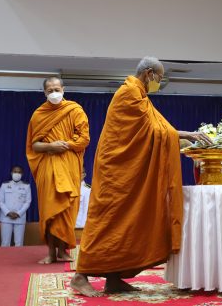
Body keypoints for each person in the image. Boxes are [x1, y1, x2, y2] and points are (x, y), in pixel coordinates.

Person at [70, 57, 212, 296]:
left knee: (127, 224)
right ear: (148, 73)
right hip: (116, 170)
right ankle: (80, 275)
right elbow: (153, 131)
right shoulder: (129, 93)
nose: (160, 81)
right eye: (159, 77)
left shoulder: (140, 95)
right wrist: (186, 134)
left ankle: (114, 278)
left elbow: (154, 130)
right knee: (106, 221)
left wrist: (180, 138)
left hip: (128, 170)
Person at [26, 76, 90, 264]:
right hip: (49, 166)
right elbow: (34, 146)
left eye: (56, 89)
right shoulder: (39, 114)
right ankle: (51, 253)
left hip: (69, 165)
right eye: (50, 90)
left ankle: (62, 251)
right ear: (45, 92)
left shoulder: (74, 110)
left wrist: (66, 145)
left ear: (63, 89)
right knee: (50, 210)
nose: (54, 93)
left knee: (67, 209)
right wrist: (51, 146)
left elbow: (84, 139)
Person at [0, 165, 32, 247]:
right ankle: (4, 259)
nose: (17, 174)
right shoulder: (4, 185)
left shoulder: (26, 186)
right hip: (6, 218)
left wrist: (18, 213)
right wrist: (8, 213)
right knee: (5, 243)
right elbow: (0, 201)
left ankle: (18, 260)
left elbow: (28, 202)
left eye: (19, 172)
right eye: (15, 172)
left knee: (19, 243)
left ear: (22, 174)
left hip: (20, 218)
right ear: (11, 173)